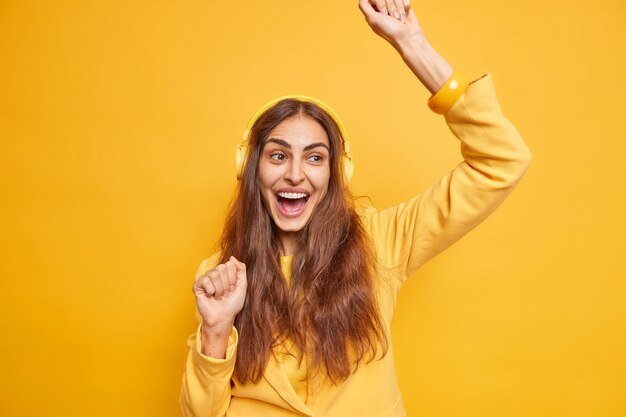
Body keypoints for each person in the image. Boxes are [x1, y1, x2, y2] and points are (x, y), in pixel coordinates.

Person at [180, 1, 532, 416]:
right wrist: (217, 330)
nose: (295, 174)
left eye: (314, 157)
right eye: (278, 156)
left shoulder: (381, 243)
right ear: (251, 168)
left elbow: (502, 161)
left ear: (337, 171)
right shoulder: (219, 275)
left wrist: (413, 45)